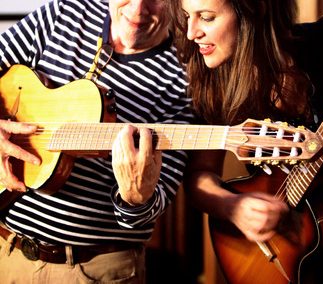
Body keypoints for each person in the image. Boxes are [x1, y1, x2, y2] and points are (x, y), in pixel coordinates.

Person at [169, 0, 323, 283]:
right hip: (306, 263)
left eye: (206, 17)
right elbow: (199, 177)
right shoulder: (217, 82)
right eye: (186, 17)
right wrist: (233, 207)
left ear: (252, 13)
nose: (192, 32)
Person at [0, 0, 195, 283]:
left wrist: (136, 198)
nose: (138, 9)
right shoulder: (65, 11)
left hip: (94, 271)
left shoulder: (185, 79)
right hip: (6, 249)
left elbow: (144, 214)